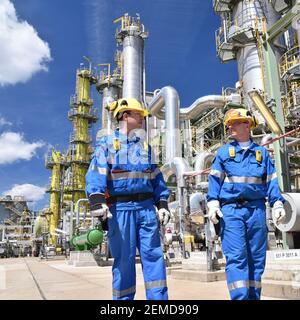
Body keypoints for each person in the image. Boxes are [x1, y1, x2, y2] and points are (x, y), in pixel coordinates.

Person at [85, 97, 171, 300]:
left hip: (146, 209)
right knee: (124, 262)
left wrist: (163, 204)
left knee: (154, 259)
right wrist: (98, 201)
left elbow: (156, 179)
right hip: (120, 211)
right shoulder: (106, 145)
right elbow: (96, 174)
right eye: (139, 114)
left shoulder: (145, 148)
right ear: (125, 115)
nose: (142, 118)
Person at [206, 108, 286, 300]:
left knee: (257, 259)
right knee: (237, 258)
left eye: (234, 123)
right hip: (231, 211)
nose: (230, 127)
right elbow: (214, 180)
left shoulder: (262, 154)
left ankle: (253, 297)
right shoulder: (224, 152)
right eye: (229, 124)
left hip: (256, 210)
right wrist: (213, 203)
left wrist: (277, 204)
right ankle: (240, 297)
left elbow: (272, 180)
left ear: (247, 124)